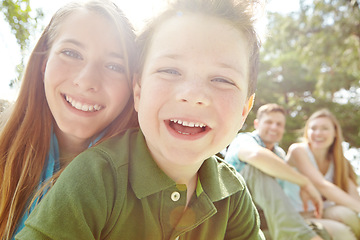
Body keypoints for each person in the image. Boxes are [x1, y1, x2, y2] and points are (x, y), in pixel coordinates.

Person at [16, 0, 266, 239]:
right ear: (138, 91)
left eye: (222, 79)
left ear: (246, 108)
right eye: (170, 71)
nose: (193, 95)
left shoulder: (233, 192)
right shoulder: (97, 177)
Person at [0, 0, 139, 239]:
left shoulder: (140, 189)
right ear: (44, 63)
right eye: (71, 53)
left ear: (133, 86)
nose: (87, 81)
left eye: (114, 66)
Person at [225, 103, 327, 240]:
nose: (274, 127)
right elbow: (256, 155)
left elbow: (280, 195)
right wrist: (304, 182)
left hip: (263, 215)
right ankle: (303, 236)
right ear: (256, 124)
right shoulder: (243, 139)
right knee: (256, 166)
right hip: (235, 209)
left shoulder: (279, 154)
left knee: (322, 231)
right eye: (269, 122)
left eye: (279, 124)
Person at [284, 108, 360, 240]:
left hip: (322, 212)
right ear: (307, 132)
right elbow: (321, 185)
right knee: (342, 233)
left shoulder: (339, 161)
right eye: (313, 128)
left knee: (348, 215)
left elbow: (354, 197)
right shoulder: (298, 151)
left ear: (335, 132)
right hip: (296, 215)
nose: (318, 133)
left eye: (325, 128)